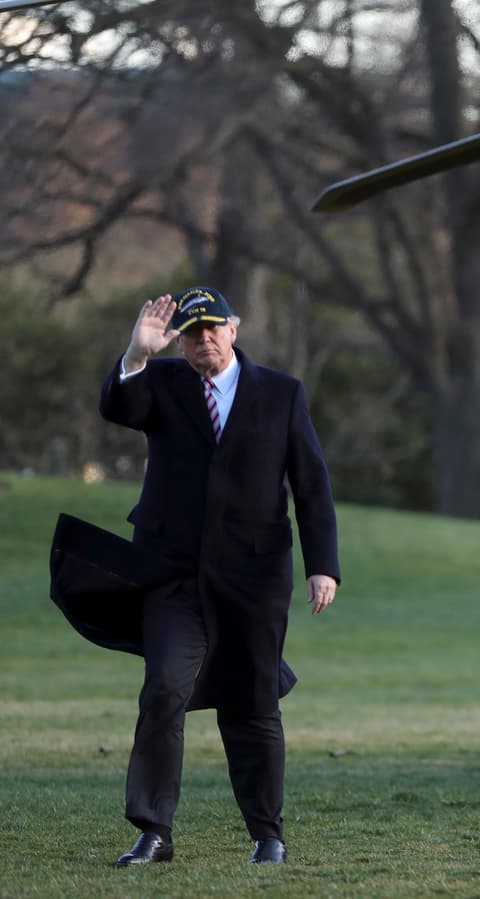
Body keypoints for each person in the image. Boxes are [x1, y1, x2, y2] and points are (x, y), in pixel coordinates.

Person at [96, 286, 340, 865]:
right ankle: (154, 832)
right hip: (172, 576)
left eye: (213, 327)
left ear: (234, 328)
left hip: (253, 578)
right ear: (179, 340)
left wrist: (322, 565)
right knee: (164, 690)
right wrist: (136, 355)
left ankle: (267, 836)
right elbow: (117, 408)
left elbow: (311, 485)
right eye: (191, 331)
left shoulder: (282, 393)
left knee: (252, 702)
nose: (204, 338)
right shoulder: (160, 384)